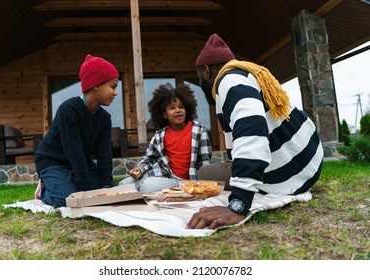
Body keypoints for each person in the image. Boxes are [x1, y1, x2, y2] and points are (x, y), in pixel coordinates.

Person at [187, 34, 323, 229]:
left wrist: (238, 204)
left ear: (206, 71)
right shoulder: (247, 75)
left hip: (289, 177)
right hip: (309, 161)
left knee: (204, 173)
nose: (200, 82)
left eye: (198, 76)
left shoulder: (227, 82)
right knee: (221, 169)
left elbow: (252, 132)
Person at [35, 54, 119, 207]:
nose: (115, 93)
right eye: (112, 87)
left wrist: (106, 188)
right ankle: (44, 189)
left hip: (81, 163)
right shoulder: (69, 109)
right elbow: (74, 153)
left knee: (112, 191)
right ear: (96, 84)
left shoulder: (104, 118)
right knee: (69, 200)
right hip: (53, 162)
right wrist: (87, 194)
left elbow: (104, 155)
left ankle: (72, 185)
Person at [118, 83, 212, 194]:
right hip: (163, 175)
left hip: (183, 182)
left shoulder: (198, 130)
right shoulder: (160, 135)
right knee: (123, 185)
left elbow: (204, 162)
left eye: (181, 107)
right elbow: (150, 158)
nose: (178, 110)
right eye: (172, 108)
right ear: (164, 115)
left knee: (147, 187)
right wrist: (139, 170)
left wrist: (203, 187)